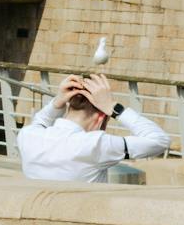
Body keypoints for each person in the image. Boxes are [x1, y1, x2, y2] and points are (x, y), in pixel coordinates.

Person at [17, 74, 170, 184]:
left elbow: (40, 121)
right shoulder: (95, 144)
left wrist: (57, 101)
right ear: (101, 117)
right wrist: (114, 108)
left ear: (69, 105)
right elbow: (159, 140)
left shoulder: (28, 135)